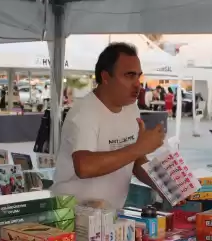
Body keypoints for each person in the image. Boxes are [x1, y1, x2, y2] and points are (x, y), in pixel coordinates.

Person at [51, 43, 166, 209]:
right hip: (70, 215)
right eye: (129, 76)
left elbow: (134, 160)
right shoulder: (85, 113)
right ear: (105, 77)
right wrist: (139, 148)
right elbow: (84, 167)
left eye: (138, 77)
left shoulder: (131, 108)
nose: (137, 84)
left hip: (109, 215)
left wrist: (165, 185)